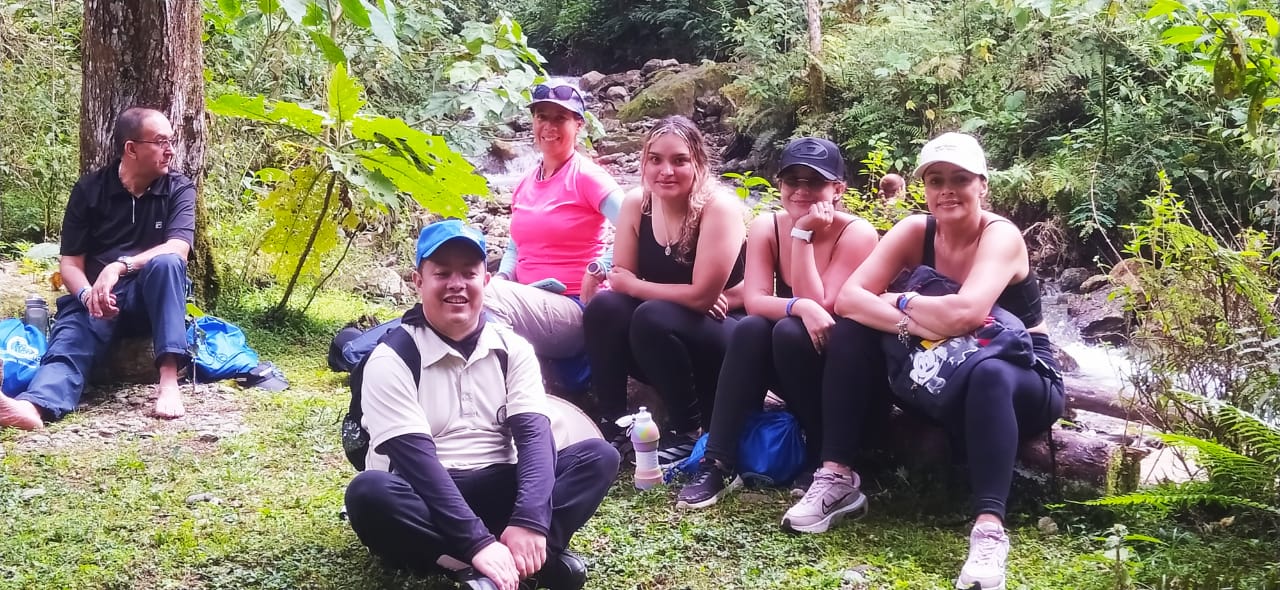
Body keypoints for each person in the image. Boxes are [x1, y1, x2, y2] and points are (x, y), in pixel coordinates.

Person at [779, 133, 1064, 590]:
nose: (947, 190)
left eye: (960, 179)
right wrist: (917, 325)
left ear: (982, 185)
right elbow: (849, 299)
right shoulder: (916, 230)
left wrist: (902, 299)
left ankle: (989, 528)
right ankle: (837, 475)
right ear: (924, 188)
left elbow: (966, 314)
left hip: (1020, 376)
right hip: (937, 366)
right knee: (852, 331)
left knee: (991, 373)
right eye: (936, 180)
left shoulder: (1000, 236)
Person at [345, 220, 620, 590]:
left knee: (598, 457)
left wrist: (530, 519)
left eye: (468, 273)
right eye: (442, 273)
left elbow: (534, 439)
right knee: (368, 493)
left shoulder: (513, 348)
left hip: (501, 482)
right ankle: (480, 565)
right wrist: (477, 543)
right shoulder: (390, 359)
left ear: (486, 281)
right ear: (418, 282)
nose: (456, 284)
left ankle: (517, 554)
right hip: (428, 493)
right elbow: (417, 464)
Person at [674, 137, 878, 509]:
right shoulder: (767, 226)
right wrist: (799, 306)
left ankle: (821, 457)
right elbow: (755, 301)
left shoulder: (857, 233)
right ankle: (717, 462)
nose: (801, 190)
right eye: (792, 180)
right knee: (752, 329)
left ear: (838, 190)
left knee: (787, 331)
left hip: (839, 370)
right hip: (792, 357)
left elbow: (825, 308)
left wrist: (802, 236)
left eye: (814, 182)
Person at [0, 107, 195, 430]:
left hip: (152, 299)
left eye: (171, 141)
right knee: (70, 339)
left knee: (167, 263)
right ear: (131, 148)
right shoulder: (90, 190)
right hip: (100, 300)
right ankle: (32, 408)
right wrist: (88, 295)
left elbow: (179, 248)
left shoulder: (178, 188)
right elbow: (70, 264)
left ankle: (169, 382)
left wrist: (119, 266)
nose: (170, 150)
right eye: (161, 142)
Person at [582, 115, 747, 447]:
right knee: (605, 307)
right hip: (661, 335)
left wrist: (640, 287)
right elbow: (620, 279)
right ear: (644, 163)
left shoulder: (719, 208)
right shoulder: (637, 203)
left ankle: (688, 430)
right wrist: (680, 295)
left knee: (651, 315)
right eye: (655, 160)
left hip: (724, 331)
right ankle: (613, 423)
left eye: (679, 161)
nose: (666, 171)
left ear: (698, 164)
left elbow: (700, 299)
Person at [484, 81, 624, 397]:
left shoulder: (587, 177)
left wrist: (599, 268)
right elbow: (516, 243)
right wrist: (504, 275)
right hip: (529, 301)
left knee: (481, 294)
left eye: (560, 118)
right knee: (467, 293)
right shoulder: (525, 182)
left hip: (574, 308)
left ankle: (510, 390)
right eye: (542, 117)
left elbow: (638, 228)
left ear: (578, 125)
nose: (549, 126)